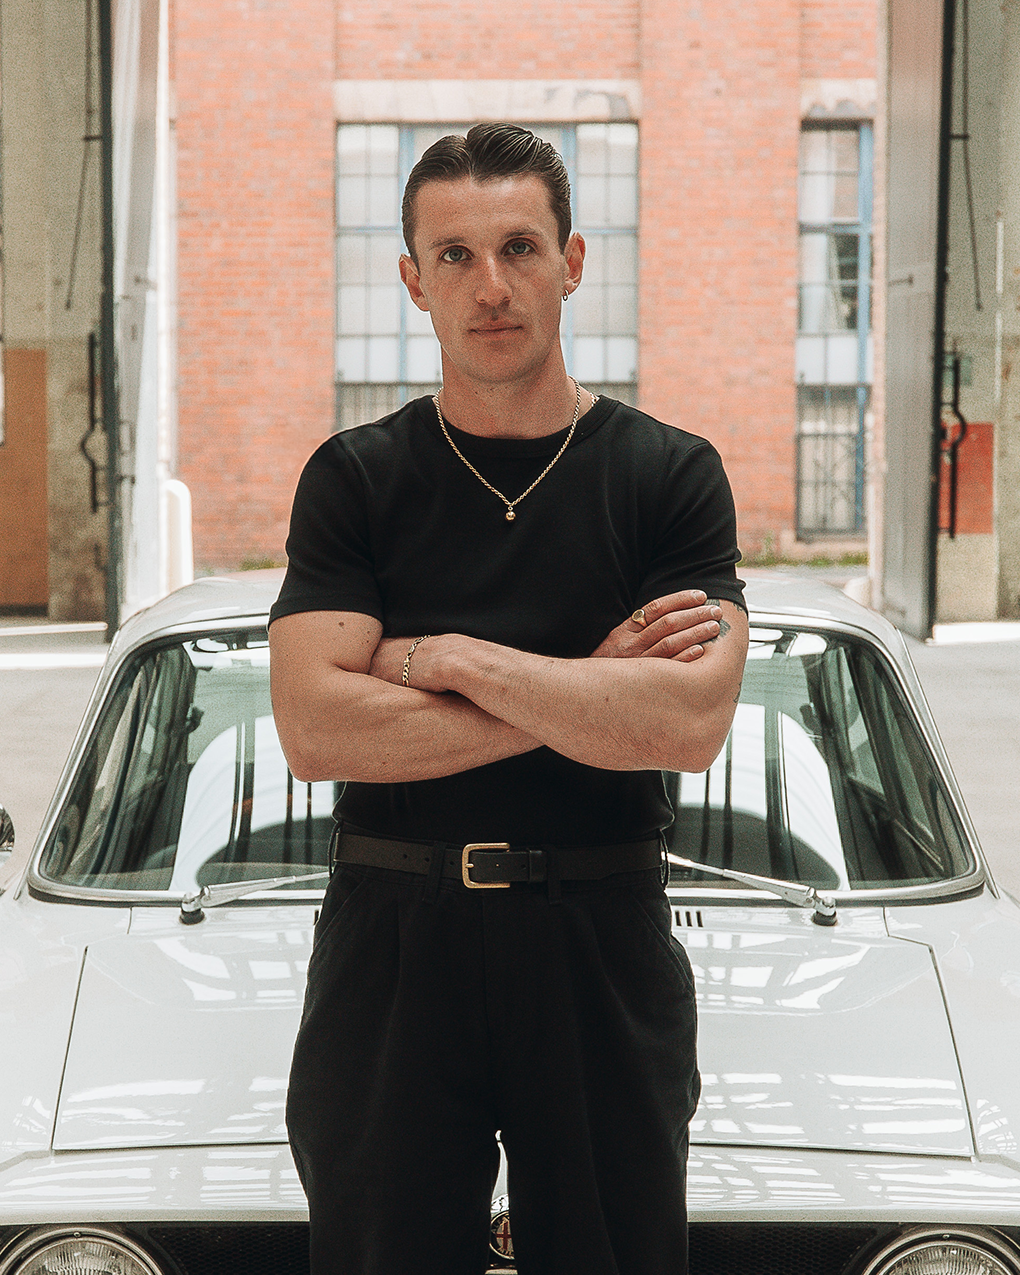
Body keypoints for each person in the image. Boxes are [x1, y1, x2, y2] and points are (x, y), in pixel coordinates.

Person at [268, 122, 748, 1275]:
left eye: (520, 248)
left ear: (571, 263)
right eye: (456, 256)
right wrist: (590, 687)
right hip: (392, 943)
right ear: (414, 281)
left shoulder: (669, 476)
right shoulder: (356, 480)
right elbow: (315, 729)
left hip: (599, 935)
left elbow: (687, 725)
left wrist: (449, 658)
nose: (491, 286)